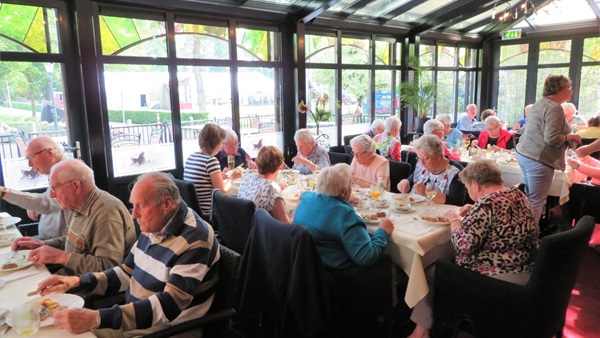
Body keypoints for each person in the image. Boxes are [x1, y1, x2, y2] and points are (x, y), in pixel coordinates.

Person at [34, 172, 220, 337]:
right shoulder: (157, 224)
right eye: (133, 205)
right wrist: (76, 281)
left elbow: (168, 306)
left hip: (166, 328)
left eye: (140, 206)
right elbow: (125, 272)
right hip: (133, 319)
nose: (134, 214)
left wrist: (97, 318)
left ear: (166, 204)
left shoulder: (196, 240)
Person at [408, 160, 539, 338]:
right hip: (525, 268)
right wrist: (475, 210)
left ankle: (421, 332)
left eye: (468, 188)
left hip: (497, 276)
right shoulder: (518, 194)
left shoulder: (487, 204)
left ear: (476, 185)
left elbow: (463, 247)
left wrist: (454, 219)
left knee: (430, 270)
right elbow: (500, 222)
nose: (469, 193)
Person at [11, 159, 136, 275]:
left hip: (92, 291)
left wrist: (60, 257)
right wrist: (42, 244)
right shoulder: (81, 205)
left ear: (75, 186)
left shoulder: (106, 214)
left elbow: (109, 268)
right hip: (72, 277)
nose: (52, 194)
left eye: (54, 188)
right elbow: (77, 242)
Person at [293, 163, 393, 269]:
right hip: (334, 273)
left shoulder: (306, 198)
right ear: (342, 191)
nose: (351, 188)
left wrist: (341, 200)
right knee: (387, 260)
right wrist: (382, 231)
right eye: (350, 185)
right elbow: (367, 257)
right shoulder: (345, 214)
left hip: (305, 265)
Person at [516, 74, 582, 223]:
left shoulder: (540, 103)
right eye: (568, 87)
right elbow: (551, 138)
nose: (571, 91)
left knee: (529, 198)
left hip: (525, 154)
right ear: (558, 89)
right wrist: (571, 137)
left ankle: (523, 234)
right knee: (536, 201)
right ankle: (529, 240)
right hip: (538, 159)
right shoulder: (555, 108)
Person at [0, 136, 67, 239]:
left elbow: (47, 203)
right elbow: (49, 198)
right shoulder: (56, 171)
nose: (29, 164)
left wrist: (3, 192)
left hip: (58, 246)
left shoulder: (67, 172)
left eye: (31, 158)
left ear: (50, 153)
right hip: (46, 240)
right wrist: (35, 204)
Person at [184, 123, 242, 215]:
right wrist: (232, 178)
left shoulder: (191, 157)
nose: (222, 146)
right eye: (221, 143)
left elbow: (204, 181)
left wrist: (220, 177)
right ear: (215, 143)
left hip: (194, 212)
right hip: (210, 212)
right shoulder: (210, 161)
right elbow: (222, 192)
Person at [397, 135, 465, 206]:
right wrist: (405, 183)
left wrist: (428, 193)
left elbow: (457, 202)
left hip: (439, 214)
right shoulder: (422, 164)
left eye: (426, 159)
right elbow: (412, 180)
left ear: (438, 156)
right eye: (419, 158)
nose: (422, 163)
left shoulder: (456, 172)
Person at [237, 145, 290, 223]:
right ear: (280, 165)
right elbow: (286, 225)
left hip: (244, 228)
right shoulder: (272, 189)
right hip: (261, 233)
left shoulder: (247, 178)